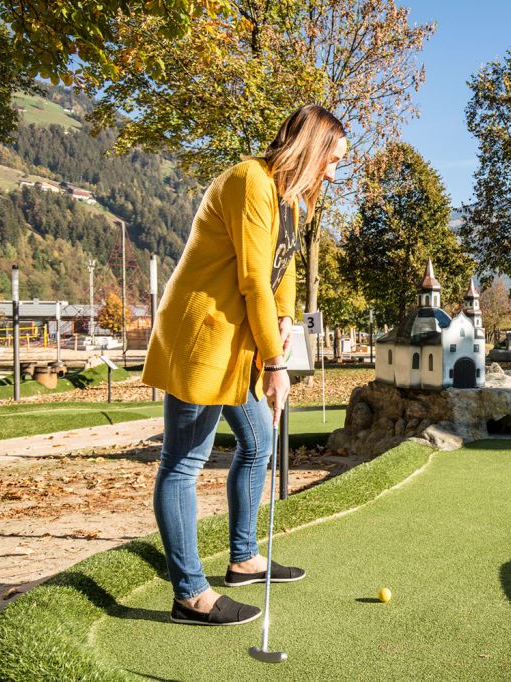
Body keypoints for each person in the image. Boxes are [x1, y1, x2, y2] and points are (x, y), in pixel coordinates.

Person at [142, 105, 348, 625]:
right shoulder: (249, 181)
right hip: (204, 335)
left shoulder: (292, 203)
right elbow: (254, 279)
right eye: (331, 159)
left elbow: (283, 276)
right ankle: (189, 593)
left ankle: (243, 559)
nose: (333, 171)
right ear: (311, 148)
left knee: (258, 442)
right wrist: (277, 365)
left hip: (242, 343)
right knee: (184, 461)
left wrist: (283, 320)